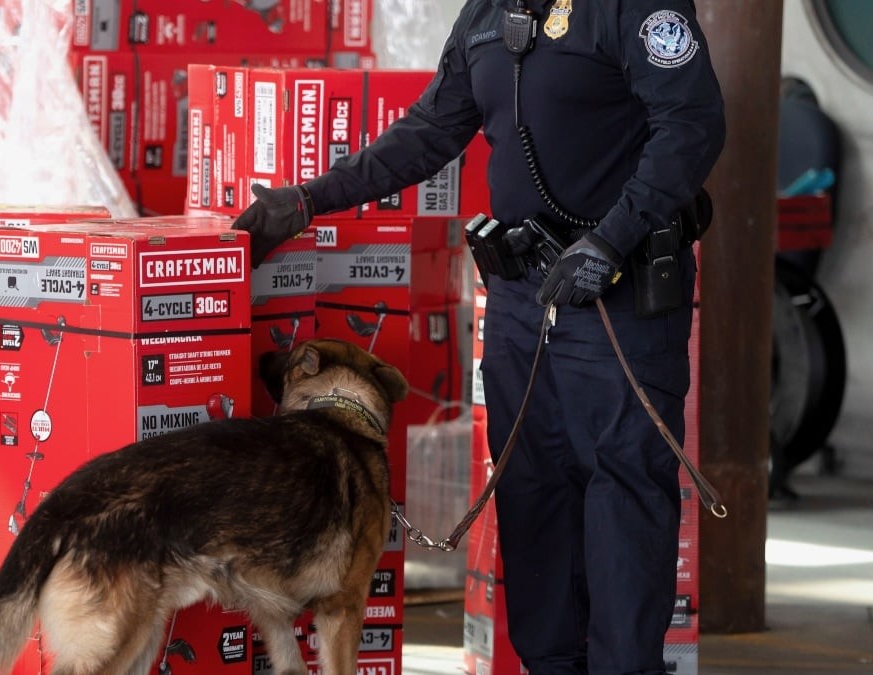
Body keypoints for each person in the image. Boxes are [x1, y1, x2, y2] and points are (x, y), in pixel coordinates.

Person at [231, 0, 726, 673]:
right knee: (532, 492)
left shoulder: (631, 7)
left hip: (617, 297)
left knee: (622, 499)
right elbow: (430, 131)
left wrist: (612, 239)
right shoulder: (486, 16)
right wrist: (311, 199)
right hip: (523, 300)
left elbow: (692, 125)